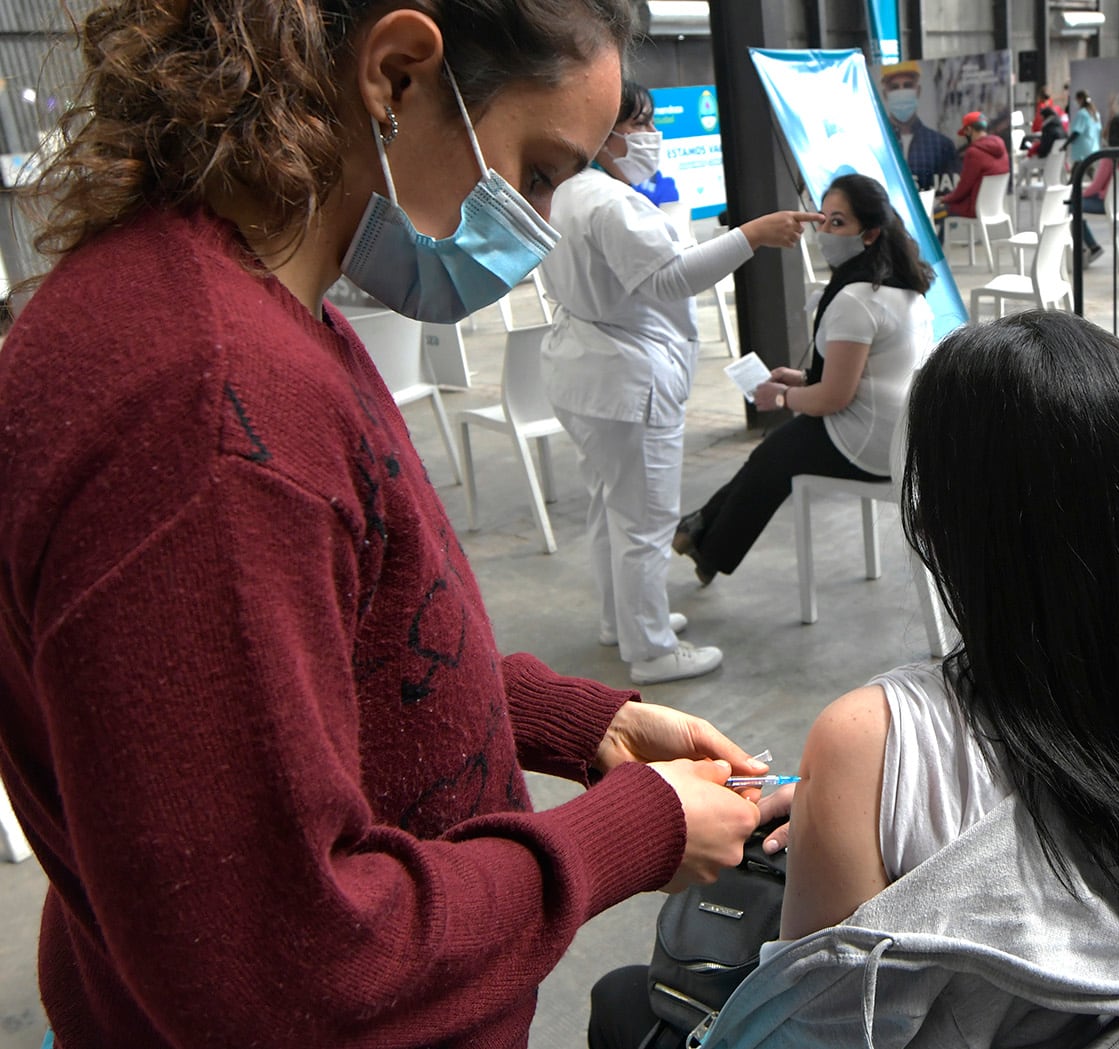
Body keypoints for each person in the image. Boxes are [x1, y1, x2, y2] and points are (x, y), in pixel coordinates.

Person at [0, 3, 788, 1045]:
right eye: (538, 171)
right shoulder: (208, 412)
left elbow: (317, 661)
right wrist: (637, 831)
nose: (539, 224)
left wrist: (565, 717)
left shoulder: (252, 313)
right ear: (399, 75)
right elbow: (286, 964)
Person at [695, 310, 1119, 1047]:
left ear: (943, 518)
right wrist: (847, 805)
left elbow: (815, 1026)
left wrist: (858, 790)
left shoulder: (867, 736)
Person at [540, 80, 819, 684]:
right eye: (636, 124)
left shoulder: (566, 193)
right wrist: (753, 235)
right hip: (625, 377)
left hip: (586, 373)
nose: (648, 136)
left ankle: (624, 620)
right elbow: (668, 279)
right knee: (644, 521)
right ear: (598, 129)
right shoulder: (611, 203)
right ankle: (651, 649)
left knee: (611, 507)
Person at [672, 173, 935, 584]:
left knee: (775, 456)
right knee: (774, 454)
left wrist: (780, 398)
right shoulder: (905, 289)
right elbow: (865, 370)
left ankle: (707, 544)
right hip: (905, 437)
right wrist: (798, 379)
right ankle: (703, 530)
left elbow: (833, 397)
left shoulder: (854, 298)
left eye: (837, 223)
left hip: (870, 442)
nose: (823, 233)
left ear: (869, 234)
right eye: (823, 220)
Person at [879, 60, 960, 193]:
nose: (901, 92)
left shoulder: (942, 145)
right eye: (894, 87)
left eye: (907, 85)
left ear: (918, 91)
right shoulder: (877, 143)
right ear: (885, 94)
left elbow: (951, 192)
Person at [1075, 112, 1119, 265]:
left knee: (1071, 206)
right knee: (1074, 204)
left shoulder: (1109, 157)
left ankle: (1089, 248)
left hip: (1106, 204)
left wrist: (1080, 194)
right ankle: (1088, 248)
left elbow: (1096, 186)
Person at [939, 110, 1009, 220]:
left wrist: (945, 199)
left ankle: (936, 238)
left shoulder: (973, 152)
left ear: (969, 129)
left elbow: (963, 189)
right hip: (995, 208)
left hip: (974, 209)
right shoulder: (1001, 145)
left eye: (965, 132)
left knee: (932, 214)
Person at [1067, 89, 1102, 179]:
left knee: (1074, 177)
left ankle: (1070, 192)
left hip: (1082, 151)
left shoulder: (1082, 114)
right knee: (1090, 173)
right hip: (1092, 148)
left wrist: (1065, 144)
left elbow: (1077, 132)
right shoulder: (1095, 113)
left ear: (1080, 99)